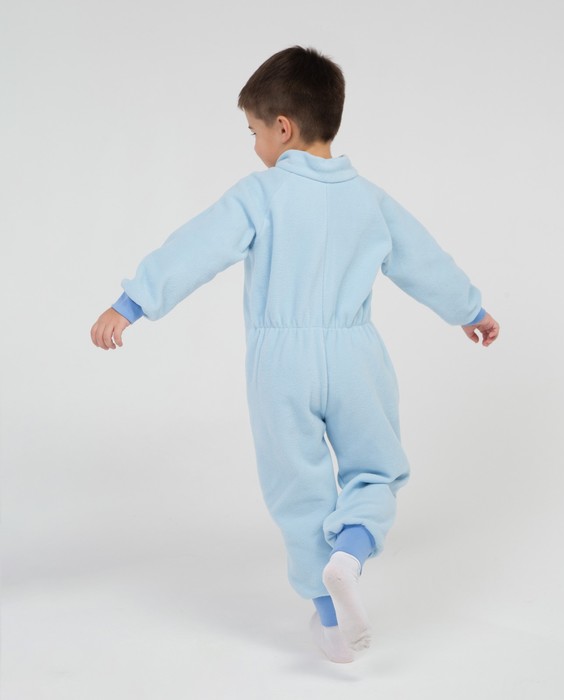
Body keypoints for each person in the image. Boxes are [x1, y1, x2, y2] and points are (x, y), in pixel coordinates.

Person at [90, 45, 500, 663]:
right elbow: (425, 261)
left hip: (280, 363)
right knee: (376, 470)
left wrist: (132, 303)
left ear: (282, 128)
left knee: (299, 489)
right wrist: (470, 310)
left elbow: (195, 248)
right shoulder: (371, 199)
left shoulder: (261, 194)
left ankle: (331, 618)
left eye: (254, 131)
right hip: (356, 354)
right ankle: (350, 553)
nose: (254, 145)